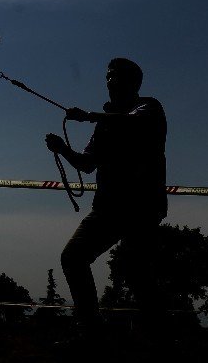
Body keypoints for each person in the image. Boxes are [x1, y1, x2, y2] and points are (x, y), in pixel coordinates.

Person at [45, 57, 167, 340]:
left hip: (142, 208)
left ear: (134, 83)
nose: (110, 81)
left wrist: (89, 116)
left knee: (138, 273)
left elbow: (136, 124)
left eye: (116, 76)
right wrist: (63, 149)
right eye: (108, 77)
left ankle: (156, 336)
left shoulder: (149, 108)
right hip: (108, 208)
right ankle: (91, 329)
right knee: (74, 257)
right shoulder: (105, 125)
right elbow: (88, 163)